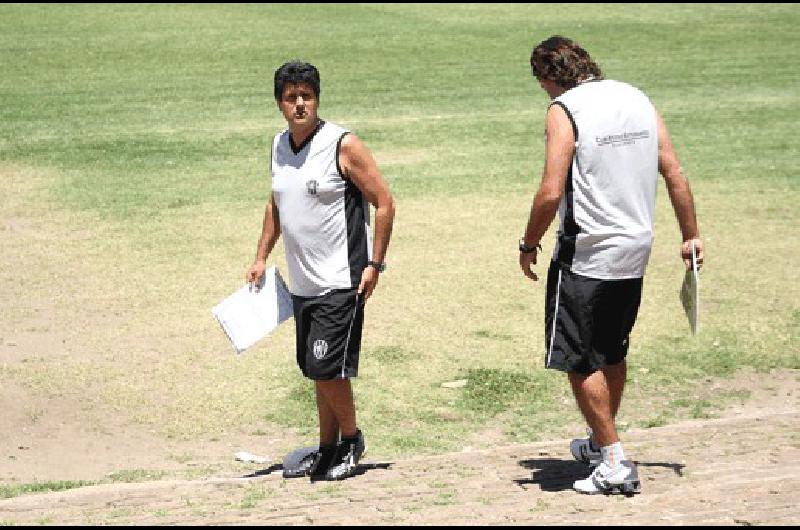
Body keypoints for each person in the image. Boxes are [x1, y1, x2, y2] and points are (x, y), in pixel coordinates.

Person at [518, 36, 703, 495]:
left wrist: (529, 242)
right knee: (612, 351)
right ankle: (604, 444)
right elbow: (674, 172)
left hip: (586, 253)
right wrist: (691, 234)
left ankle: (614, 460)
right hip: (635, 248)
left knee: (578, 359)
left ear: (548, 76)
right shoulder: (636, 97)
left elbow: (550, 190)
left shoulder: (564, 110)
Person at [246, 61, 395, 481]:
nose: (299, 104)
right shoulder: (278, 145)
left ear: (317, 99)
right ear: (279, 103)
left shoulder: (341, 144)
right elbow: (277, 203)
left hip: (340, 280)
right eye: (291, 97)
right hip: (302, 282)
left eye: (306, 96)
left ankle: (351, 440)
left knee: (327, 368)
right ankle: (327, 449)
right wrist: (260, 256)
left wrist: (375, 263)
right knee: (317, 370)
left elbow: (384, 201)